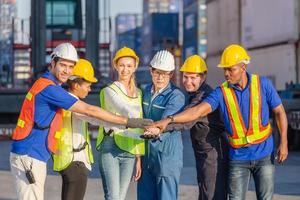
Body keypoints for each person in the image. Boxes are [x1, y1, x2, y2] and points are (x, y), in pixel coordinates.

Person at [9, 43, 151, 200]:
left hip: (34, 155)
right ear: (53, 63)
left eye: (70, 67)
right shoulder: (51, 90)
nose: (67, 71)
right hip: (30, 156)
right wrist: (128, 121)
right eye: (63, 65)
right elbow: (90, 111)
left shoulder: (50, 86)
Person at [150, 44, 288, 200]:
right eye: (224, 70)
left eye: (231, 69)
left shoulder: (262, 84)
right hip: (238, 157)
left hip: (260, 154)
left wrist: (283, 142)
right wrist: (168, 120)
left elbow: (280, 112)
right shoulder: (221, 92)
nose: (226, 74)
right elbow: (197, 111)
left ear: (243, 68)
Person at [52, 58, 114, 200]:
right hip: (75, 163)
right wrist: (124, 123)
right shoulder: (72, 104)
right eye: (87, 85)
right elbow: (94, 118)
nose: (90, 89)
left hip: (67, 162)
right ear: (75, 84)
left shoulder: (63, 100)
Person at [175, 55, 228, 200]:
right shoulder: (194, 94)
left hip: (213, 154)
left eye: (193, 78)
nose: (188, 82)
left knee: (211, 195)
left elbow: (185, 120)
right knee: (205, 192)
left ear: (203, 77)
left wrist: (160, 127)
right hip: (203, 153)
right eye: (185, 77)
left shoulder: (205, 96)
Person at [96, 47, 145, 200]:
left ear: (135, 67)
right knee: (114, 197)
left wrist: (138, 157)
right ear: (115, 66)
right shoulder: (109, 91)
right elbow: (124, 108)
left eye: (129, 66)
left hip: (130, 149)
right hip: (111, 146)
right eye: (122, 65)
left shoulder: (139, 93)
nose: (125, 70)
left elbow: (139, 128)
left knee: (120, 197)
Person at [137, 50, 186, 200]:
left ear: (171, 74)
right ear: (151, 70)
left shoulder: (176, 96)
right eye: (157, 72)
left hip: (167, 156)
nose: (160, 77)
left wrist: (154, 129)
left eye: (165, 73)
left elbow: (164, 122)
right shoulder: (145, 92)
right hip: (147, 156)